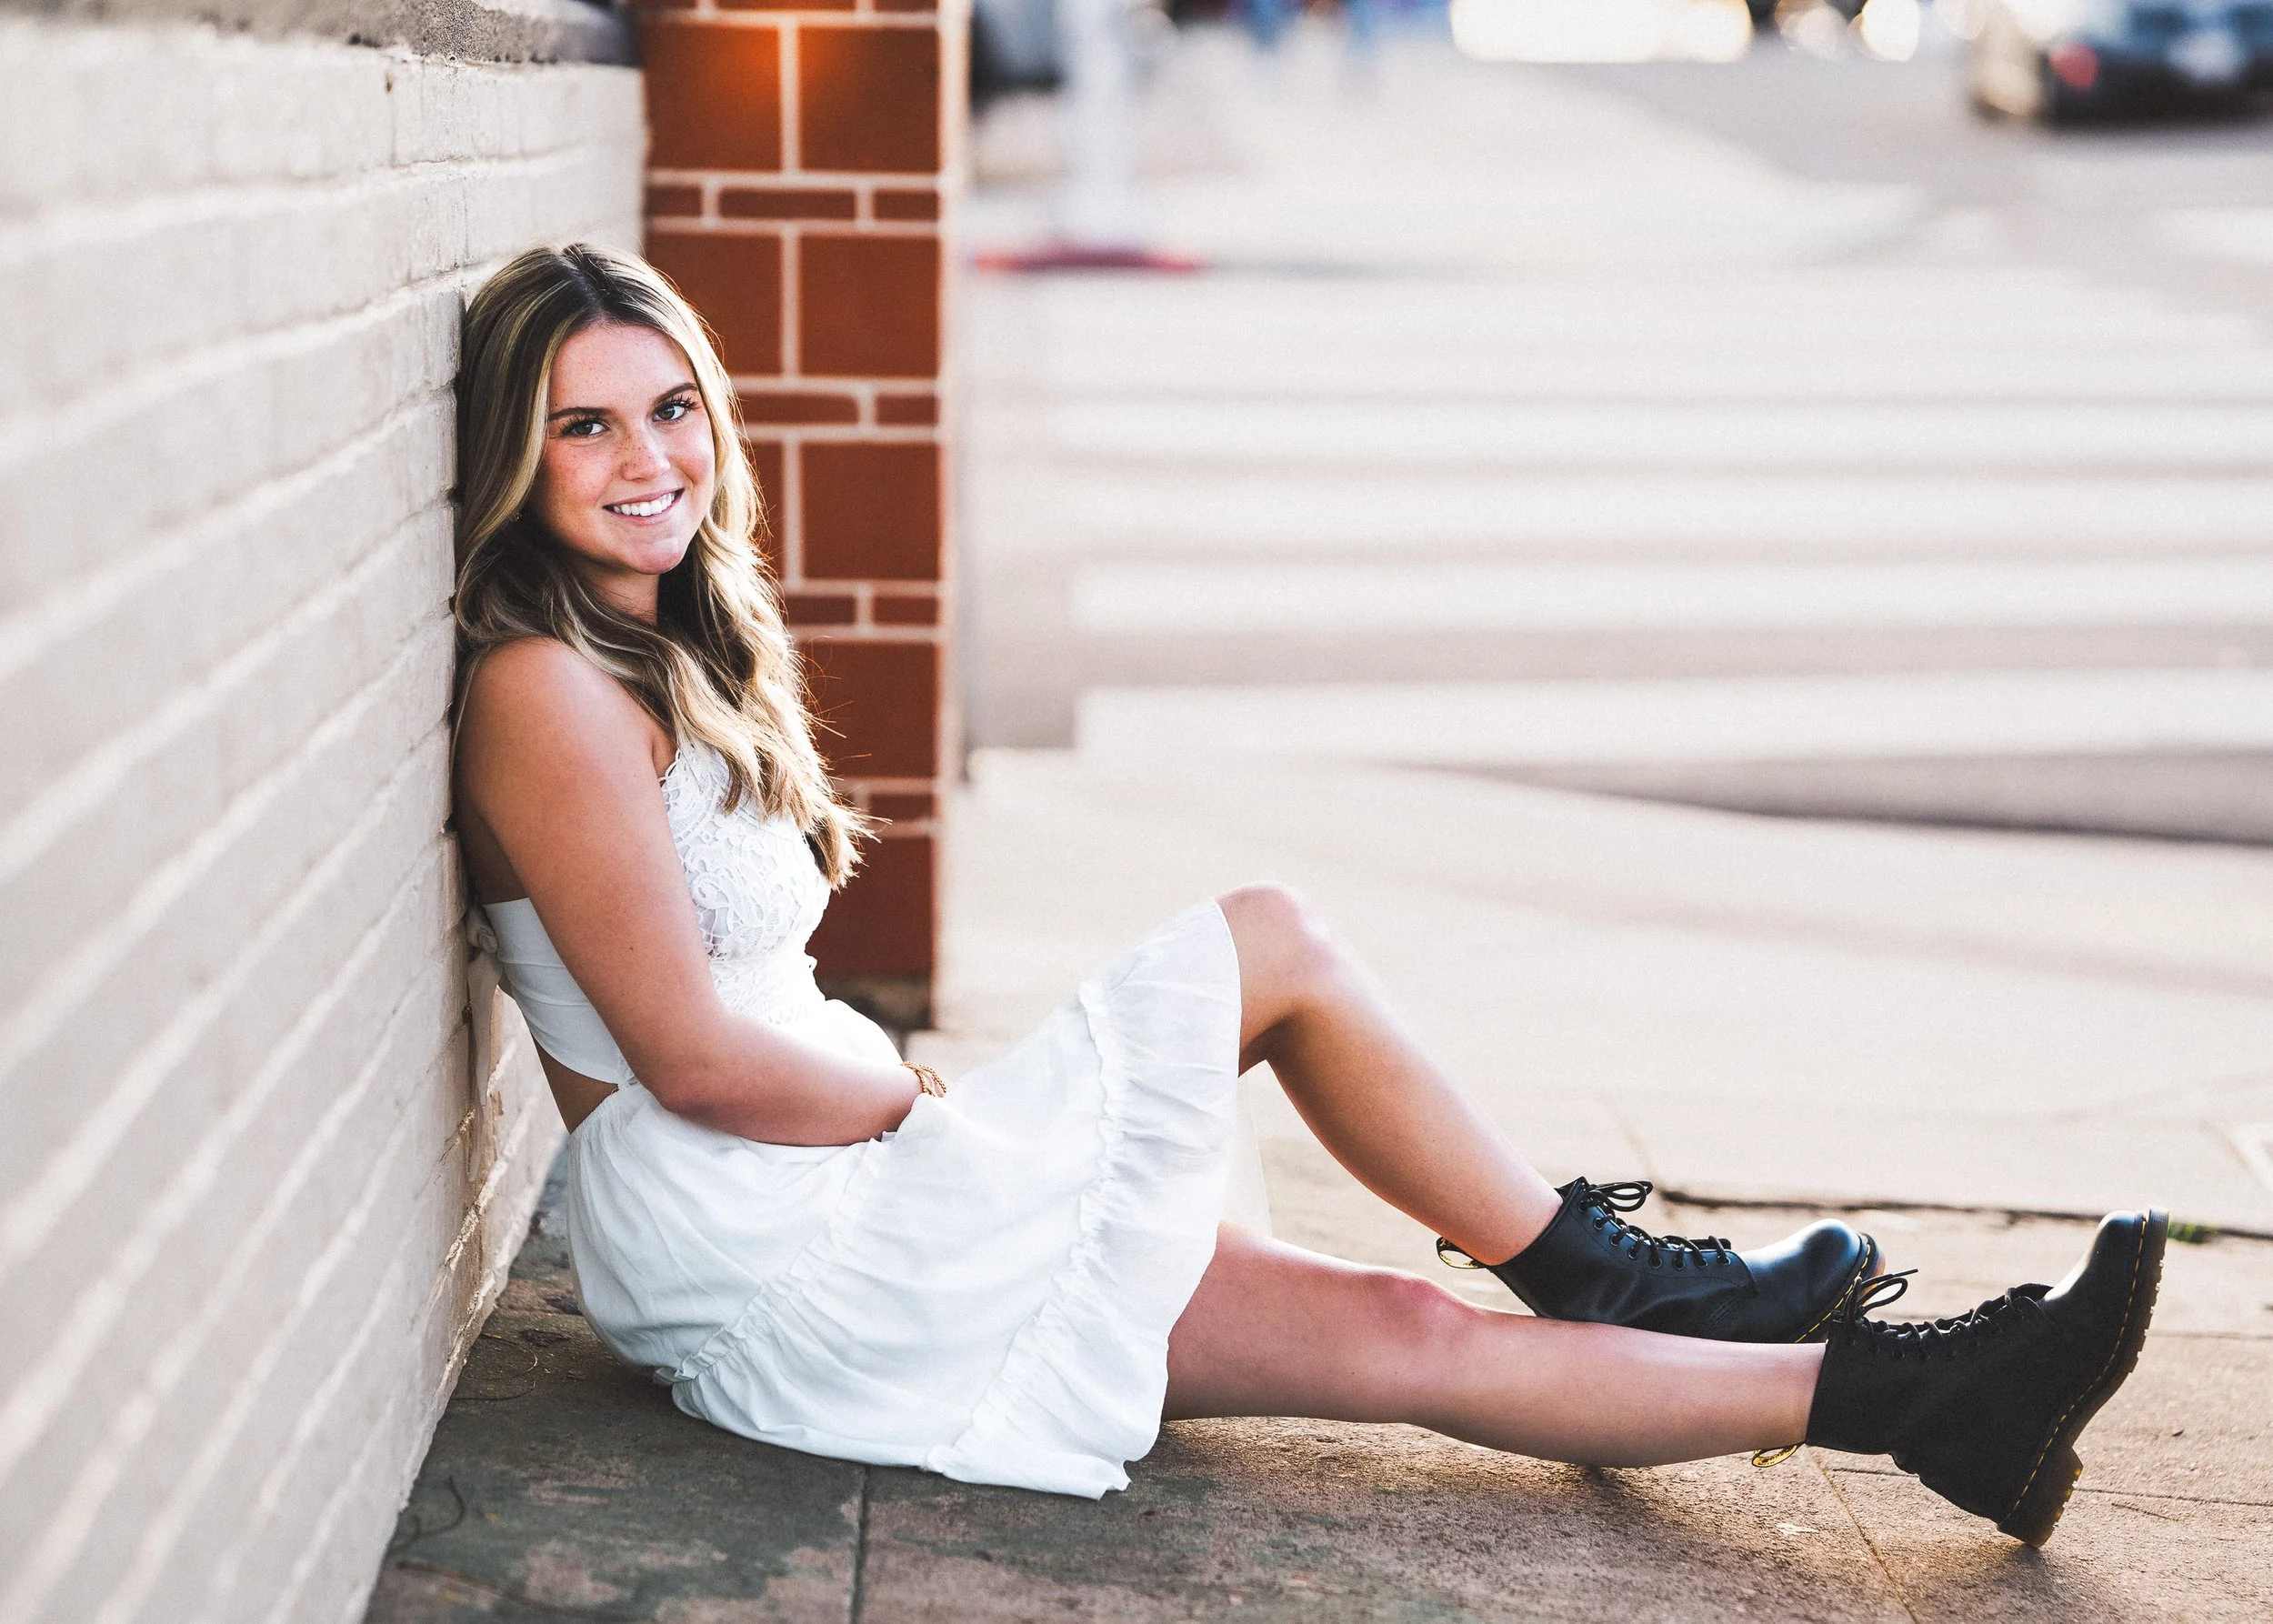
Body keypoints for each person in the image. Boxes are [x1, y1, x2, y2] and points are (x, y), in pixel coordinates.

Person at [448, 243, 2163, 1548]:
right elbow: (689, 1058)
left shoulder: (658, 645)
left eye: (671, 407)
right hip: (770, 1228)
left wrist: (916, 1109)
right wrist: (925, 1101)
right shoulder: (543, 687)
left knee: (1292, 1008)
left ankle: (1641, 1289)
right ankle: (1909, 1396)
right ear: (519, 455)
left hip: (833, 1155)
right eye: (584, 425)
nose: (646, 456)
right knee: (1400, 1323)